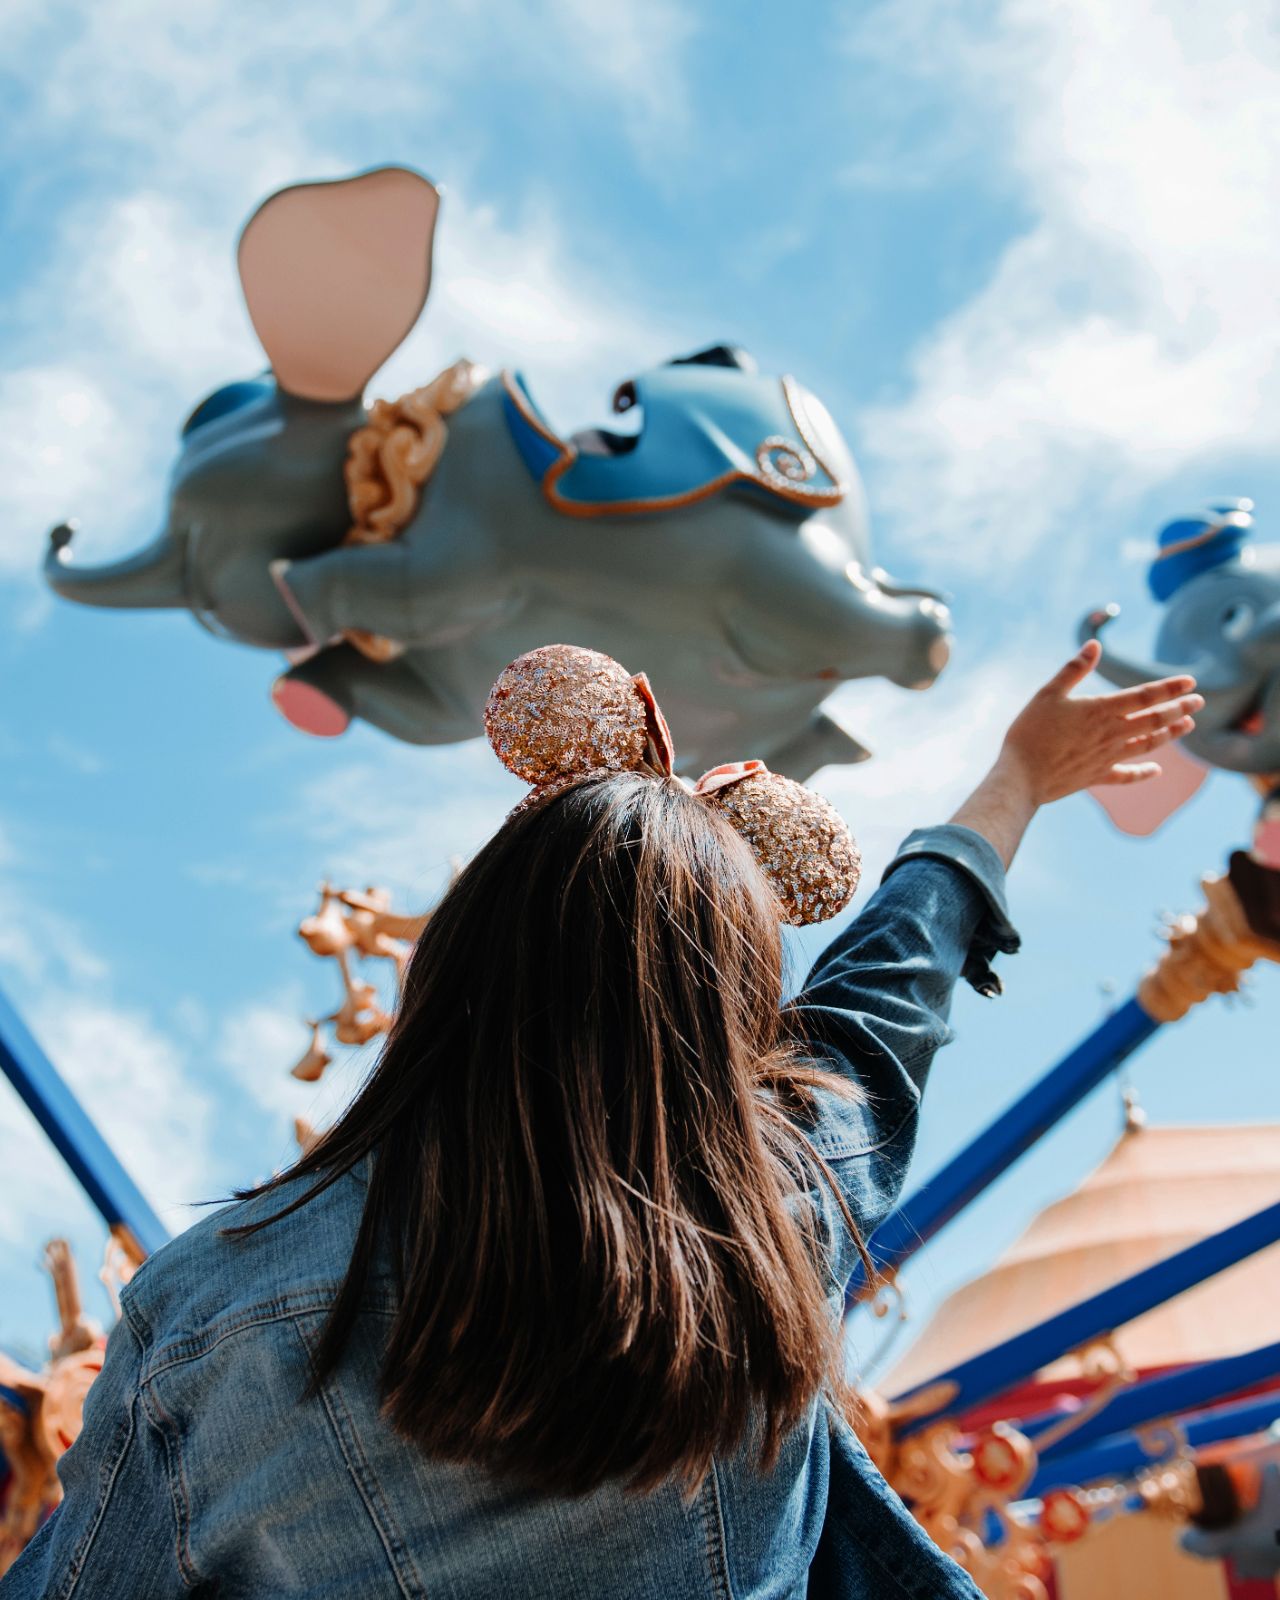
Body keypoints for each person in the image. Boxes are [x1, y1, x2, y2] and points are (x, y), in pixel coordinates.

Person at [1, 639, 1199, 1600]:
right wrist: (1016, 780)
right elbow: (894, 980)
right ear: (734, 1017)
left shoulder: (213, 1306)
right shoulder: (780, 1215)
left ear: (454, 963)